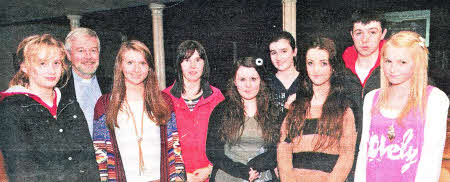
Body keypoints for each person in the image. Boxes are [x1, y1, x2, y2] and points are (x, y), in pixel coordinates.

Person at [0, 34, 100, 181]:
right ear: (25, 67)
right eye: (42, 64)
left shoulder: (70, 104)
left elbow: (88, 160)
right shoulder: (12, 107)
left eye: (56, 63)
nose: (51, 70)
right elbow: (21, 170)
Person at [355, 31, 449, 181]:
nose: (393, 69)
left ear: (417, 64)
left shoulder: (435, 99)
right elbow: (363, 152)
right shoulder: (371, 98)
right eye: (388, 61)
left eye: (402, 62)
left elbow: (431, 157)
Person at [92, 40, 186, 181]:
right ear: (120, 66)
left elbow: (175, 147)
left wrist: (179, 178)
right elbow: (100, 156)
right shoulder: (104, 104)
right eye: (130, 63)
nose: (136, 69)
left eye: (142, 63)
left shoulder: (164, 101)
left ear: (149, 68)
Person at [278, 36, 357, 181]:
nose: (316, 70)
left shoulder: (344, 111)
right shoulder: (294, 108)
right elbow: (284, 150)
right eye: (310, 63)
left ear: (333, 67)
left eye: (323, 63)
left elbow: (346, 157)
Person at [206, 57, 282, 181]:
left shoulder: (273, 111)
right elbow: (213, 152)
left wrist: (255, 165)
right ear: (235, 82)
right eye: (242, 79)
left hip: (263, 177)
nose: (248, 85)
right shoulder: (221, 110)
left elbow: (278, 150)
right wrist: (241, 171)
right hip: (228, 176)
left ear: (260, 81)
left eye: (253, 79)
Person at [162, 40, 225, 181]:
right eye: (186, 60)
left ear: (204, 64)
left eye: (197, 59)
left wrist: (209, 169)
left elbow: (226, 141)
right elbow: (161, 145)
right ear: (179, 64)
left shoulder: (217, 97)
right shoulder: (164, 98)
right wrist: (181, 176)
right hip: (175, 177)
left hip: (211, 175)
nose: (193, 65)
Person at [62, 27, 112, 138]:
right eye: (81, 51)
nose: (88, 56)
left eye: (93, 50)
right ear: (69, 55)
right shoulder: (59, 89)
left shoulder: (112, 86)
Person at [342, 10, 387, 97]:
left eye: (372, 32)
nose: (365, 40)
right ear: (352, 35)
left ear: (383, 34)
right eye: (359, 33)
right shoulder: (341, 67)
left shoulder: (393, 67)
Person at [267, 31, 302, 112]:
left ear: (294, 52)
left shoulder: (307, 82)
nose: (278, 58)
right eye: (273, 53)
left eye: (284, 51)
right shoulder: (265, 83)